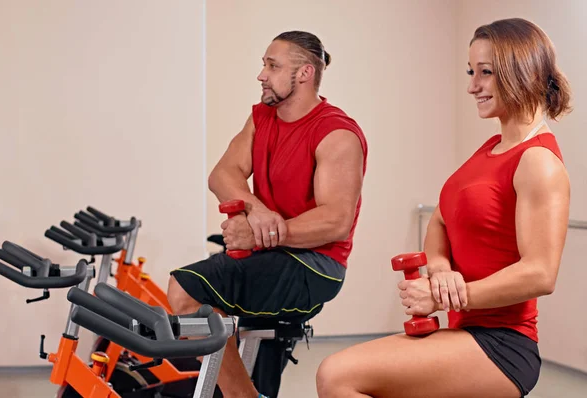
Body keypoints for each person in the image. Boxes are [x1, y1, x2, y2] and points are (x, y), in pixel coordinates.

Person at [316, 18, 571, 398]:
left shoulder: (538, 162)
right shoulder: (491, 149)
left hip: (502, 345)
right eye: (472, 72)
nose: (472, 86)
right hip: (463, 331)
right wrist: (440, 269)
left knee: (337, 375)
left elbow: (539, 273)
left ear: (520, 70)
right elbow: (440, 219)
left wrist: (444, 296)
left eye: (485, 73)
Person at [167, 31, 368, 398]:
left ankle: (244, 396)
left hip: (315, 266)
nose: (261, 74)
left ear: (304, 74)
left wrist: (259, 233)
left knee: (184, 291)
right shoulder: (262, 118)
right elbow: (223, 174)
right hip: (274, 255)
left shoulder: (336, 133)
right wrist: (256, 210)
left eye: (272, 66)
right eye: (264, 64)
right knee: (195, 304)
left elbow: (336, 220)